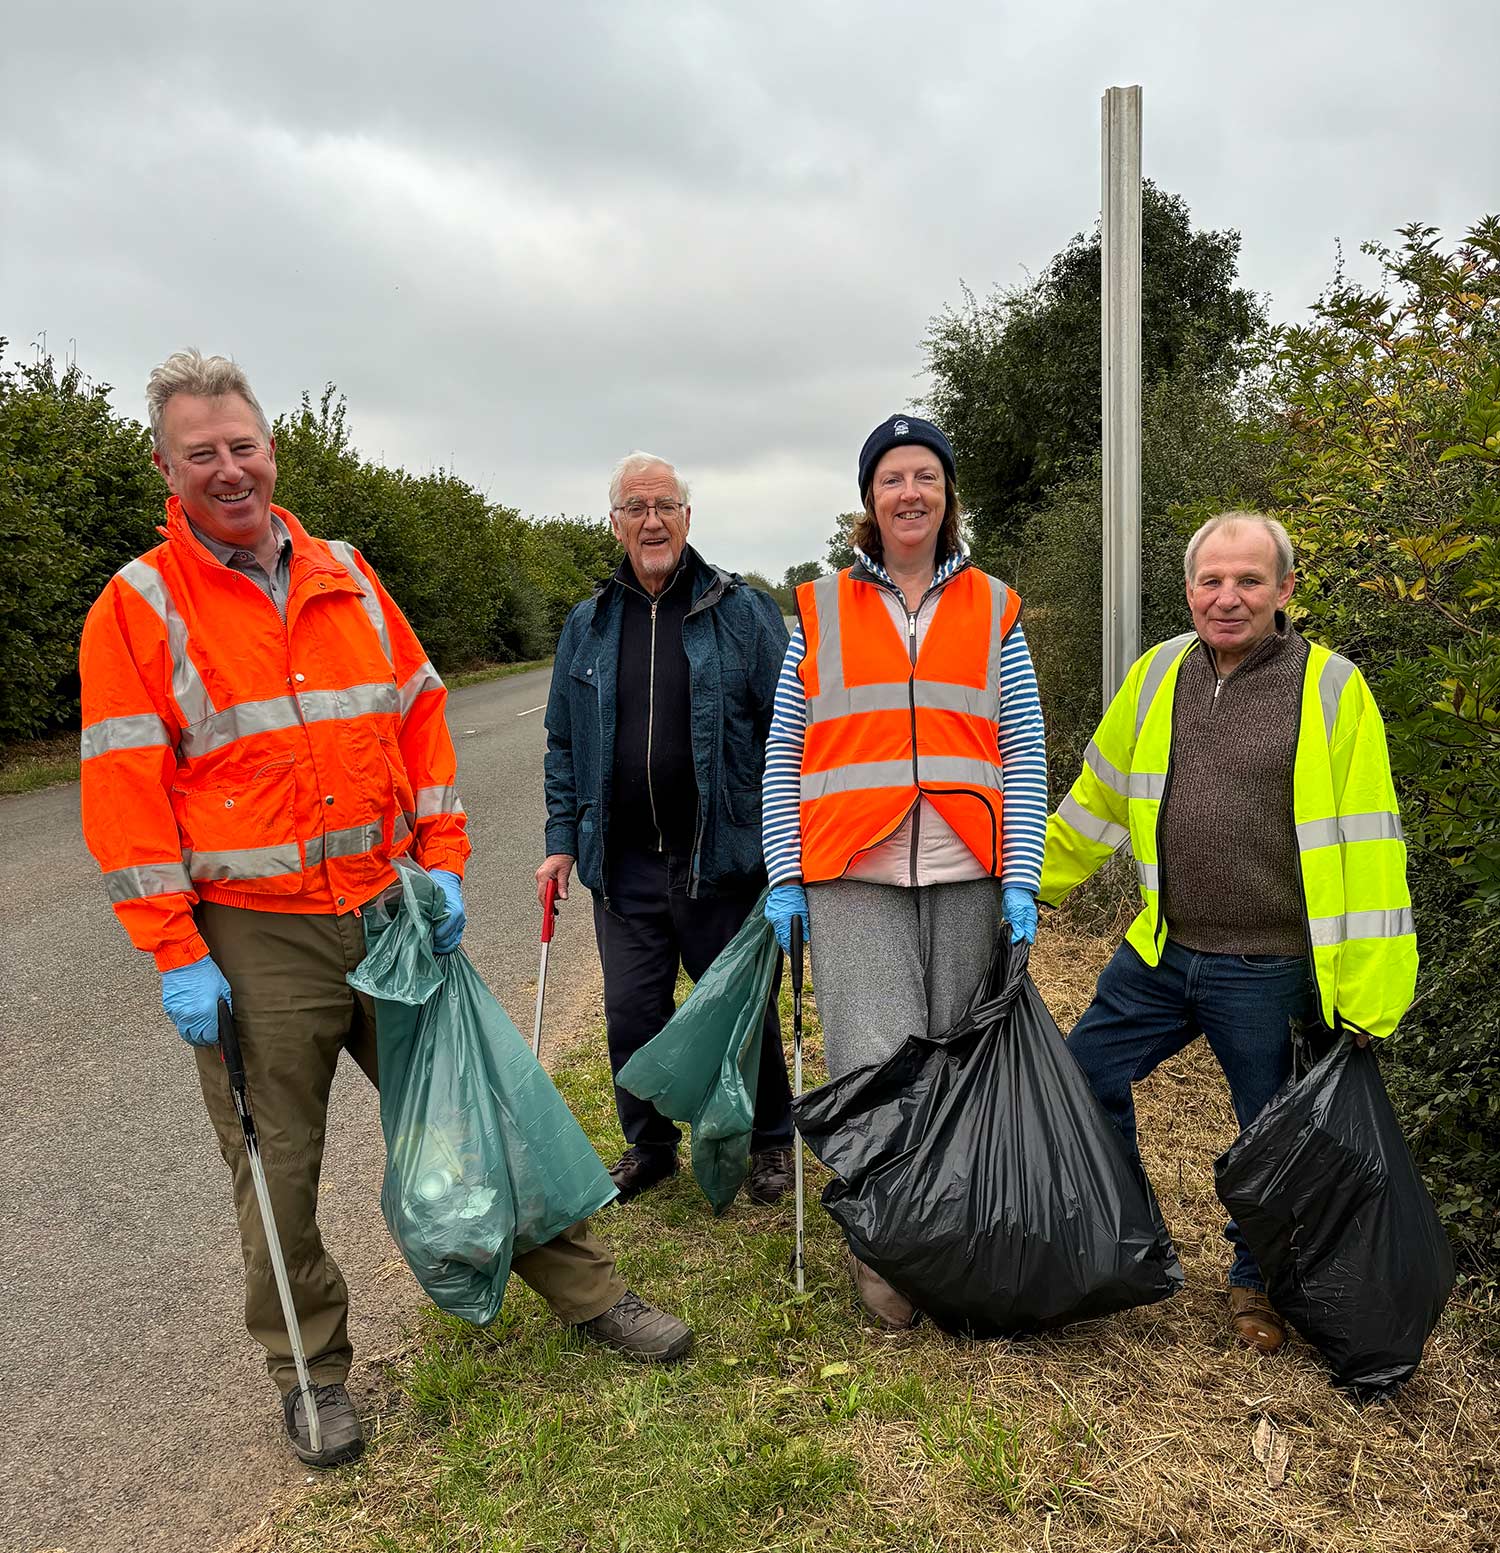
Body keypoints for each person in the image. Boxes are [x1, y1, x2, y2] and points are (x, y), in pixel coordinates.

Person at [78, 352, 692, 1471]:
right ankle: (312, 1374)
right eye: (202, 452)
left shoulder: (350, 575)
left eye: (244, 445)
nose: (230, 469)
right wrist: (176, 947)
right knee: (279, 1169)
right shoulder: (139, 606)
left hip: (389, 903)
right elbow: (123, 797)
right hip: (253, 934)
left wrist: (444, 860)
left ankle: (593, 1295)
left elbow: (418, 716)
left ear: (273, 449)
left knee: (483, 1109)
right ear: (165, 465)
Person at [1041, 510, 1417, 1354]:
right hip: (1163, 951)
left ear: (1286, 589)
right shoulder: (1157, 673)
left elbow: (1370, 843)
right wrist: (1033, 888)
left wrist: (1370, 993)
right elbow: (1096, 795)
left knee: (1271, 1138)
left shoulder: (1331, 687)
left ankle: (1257, 1280)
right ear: (1188, 590)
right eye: (1211, 580)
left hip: (1270, 967)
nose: (1227, 597)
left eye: (1249, 580)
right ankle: (1128, 1233)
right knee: (1080, 1075)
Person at [761, 414, 1048, 1328]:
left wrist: (1021, 876)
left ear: (948, 494)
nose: (910, 493)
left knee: (956, 1062)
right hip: (852, 870)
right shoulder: (819, 606)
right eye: (892, 479)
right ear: (869, 502)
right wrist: (783, 874)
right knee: (875, 1063)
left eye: (926, 475)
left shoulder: (995, 606)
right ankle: (884, 1249)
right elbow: (782, 752)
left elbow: (1026, 748)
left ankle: (952, 1236)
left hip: (969, 869)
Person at [537, 451, 796, 1205]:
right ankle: (649, 1144)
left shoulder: (739, 613)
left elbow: (789, 732)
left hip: (721, 858)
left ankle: (773, 1139)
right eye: (636, 506)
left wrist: (783, 842)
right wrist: (561, 838)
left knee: (741, 1012)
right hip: (624, 863)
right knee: (632, 1012)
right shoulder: (586, 625)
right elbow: (562, 743)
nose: (652, 519)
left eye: (665, 505)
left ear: (688, 517)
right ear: (615, 522)